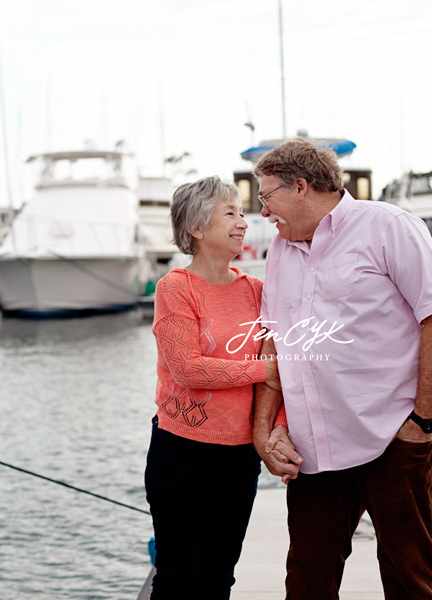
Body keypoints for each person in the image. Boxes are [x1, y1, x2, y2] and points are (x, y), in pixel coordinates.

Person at [252, 138, 432, 600]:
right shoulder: (280, 252)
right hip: (315, 448)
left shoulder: (388, 226)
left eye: (267, 197)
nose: (263, 212)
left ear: (301, 187)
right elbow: (271, 343)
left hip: (395, 436)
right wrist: (263, 430)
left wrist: (422, 421)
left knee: (410, 579)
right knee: (307, 580)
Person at [145, 176, 299, 600]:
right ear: (197, 227)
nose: (243, 222)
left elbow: (281, 373)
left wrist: (277, 428)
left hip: (238, 459)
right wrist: (259, 371)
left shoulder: (258, 293)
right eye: (230, 213)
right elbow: (188, 369)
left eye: (243, 213)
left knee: (219, 577)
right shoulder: (175, 288)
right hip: (181, 455)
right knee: (178, 578)